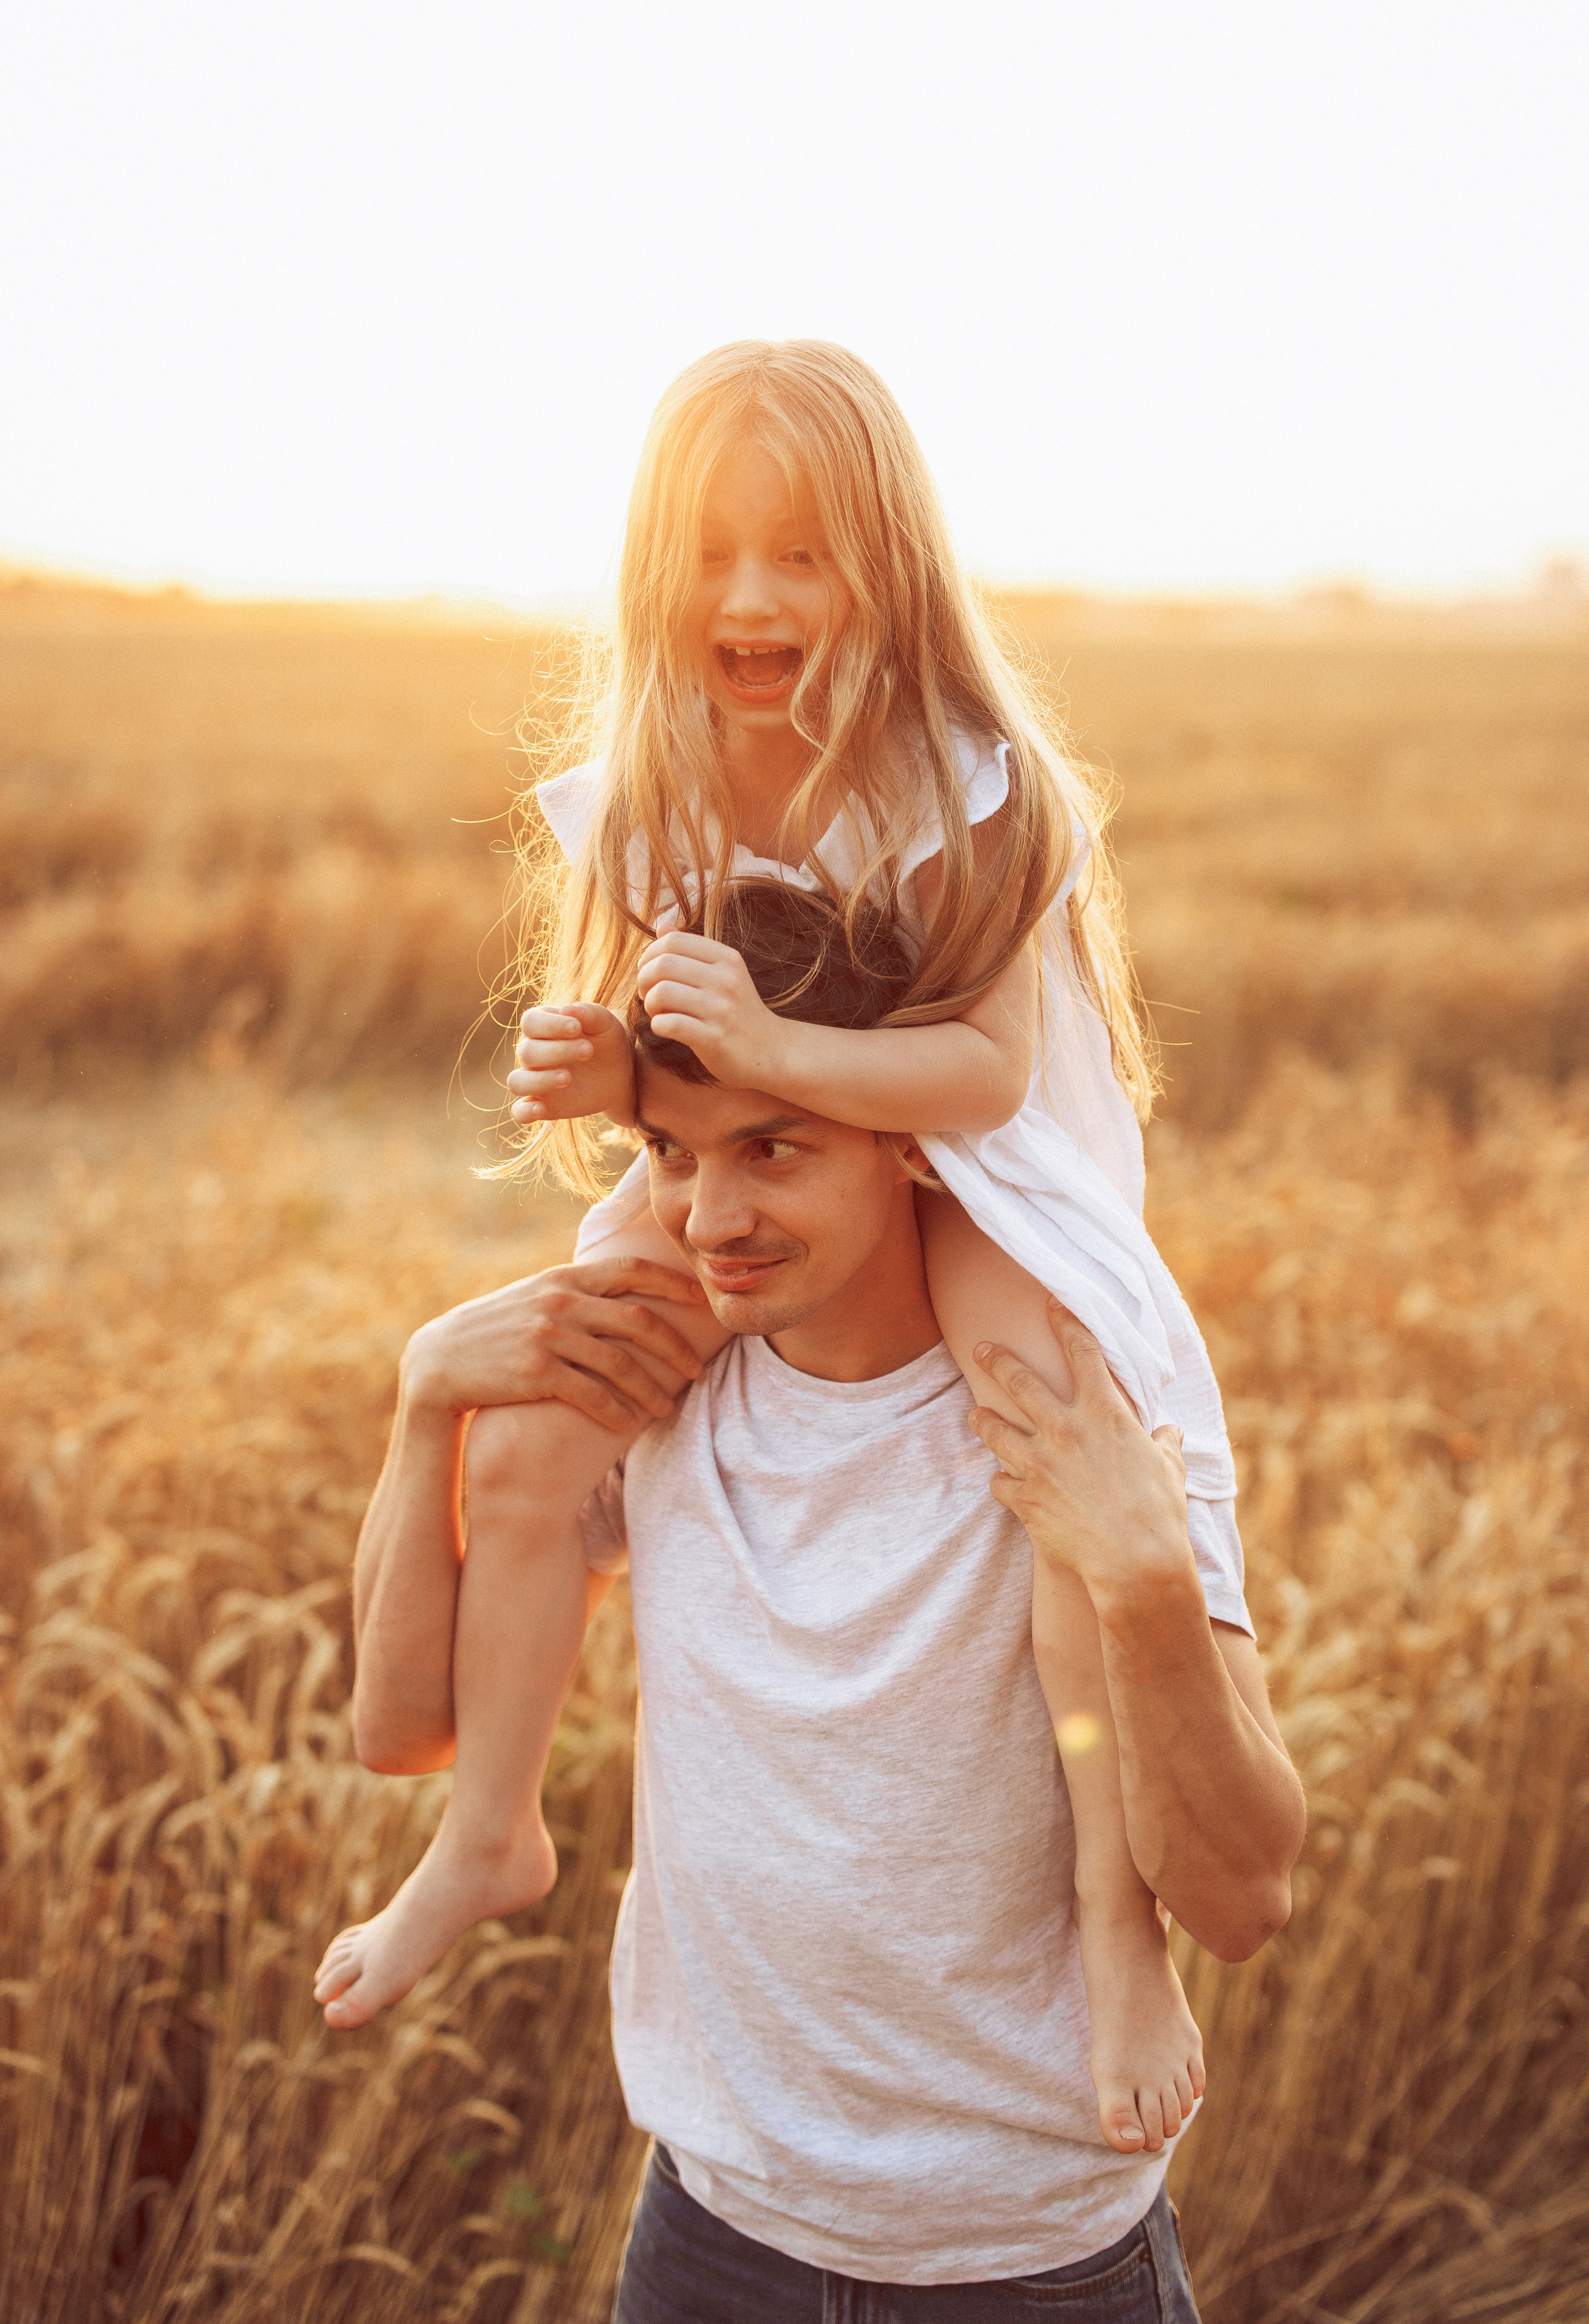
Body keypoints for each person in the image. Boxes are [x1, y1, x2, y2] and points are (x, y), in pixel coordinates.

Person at [317, 339, 1240, 2156]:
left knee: (1052, 1443)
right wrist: (600, 1060)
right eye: (713, 553)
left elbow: (980, 1071)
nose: (752, 597)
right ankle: (486, 1827)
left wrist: (767, 1049)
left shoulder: (969, 786)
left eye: (804, 554)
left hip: (981, 1178)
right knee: (540, 1421)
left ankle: (1119, 1931)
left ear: (889, 567)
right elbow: (654, 1067)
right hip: (751, 1160)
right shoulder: (643, 788)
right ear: (654, 569)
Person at [333, 880, 1305, 2314]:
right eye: (667, 1149)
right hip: (710, 2235)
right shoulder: (662, 1379)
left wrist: (1150, 1582)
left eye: (770, 1147)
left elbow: (1240, 1896)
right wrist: (426, 1407)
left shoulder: (1064, 1404)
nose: (708, 1216)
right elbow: (401, 1725)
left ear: (905, 1141)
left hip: (1027, 2265)